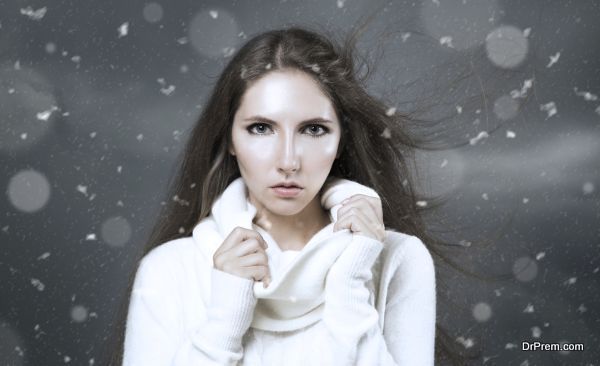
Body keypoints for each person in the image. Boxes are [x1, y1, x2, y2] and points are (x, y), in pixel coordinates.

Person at [112, 25, 448, 366]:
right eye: (261, 128)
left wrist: (350, 284)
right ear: (229, 138)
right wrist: (224, 320)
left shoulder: (399, 258)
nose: (288, 161)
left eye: (313, 129)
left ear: (341, 140)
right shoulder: (169, 270)